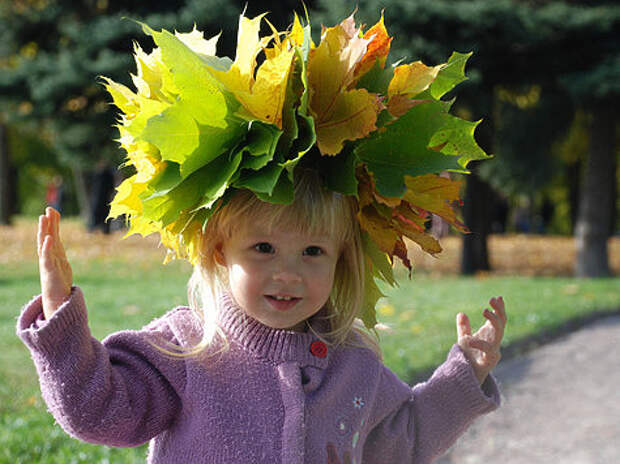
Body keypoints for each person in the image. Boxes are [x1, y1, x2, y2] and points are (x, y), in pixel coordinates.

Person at [17, 11, 507, 463]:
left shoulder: (351, 365)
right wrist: (61, 321)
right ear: (217, 250)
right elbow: (97, 410)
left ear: (342, 260)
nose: (287, 272)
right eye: (263, 248)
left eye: (313, 251)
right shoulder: (186, 350)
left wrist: (466, 372)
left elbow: (405, 437)